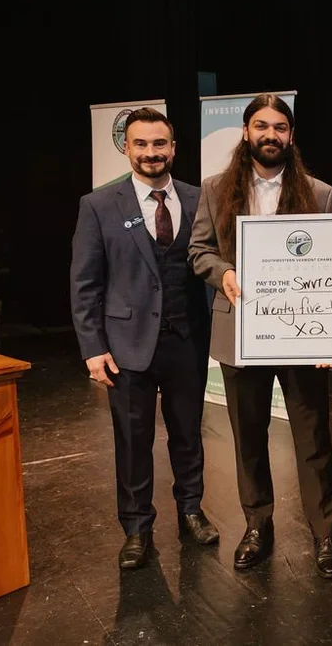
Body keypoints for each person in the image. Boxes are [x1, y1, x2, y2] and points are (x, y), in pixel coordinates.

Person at [188, 93, 332, 579]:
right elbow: (198, 251)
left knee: (313, 438)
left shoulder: (320, 194)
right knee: (248, 437)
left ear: (291, 136)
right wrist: (224, 271)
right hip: (240, 334)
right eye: (261, 126)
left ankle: (325, 534)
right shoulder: (215, 189)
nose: (270, 135)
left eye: (279, 127)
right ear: (246, 131)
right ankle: (258, 525)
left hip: (302, 335)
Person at [69, 107, 217, 570]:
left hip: (187, 341)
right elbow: (85, 283)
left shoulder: (199, 199)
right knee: (132, 442)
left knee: (188, 436)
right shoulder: (98, 205)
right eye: (141, 144)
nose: (151, 153)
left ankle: (191, 510)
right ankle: (136, 528)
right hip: (126, 345)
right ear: (126, 148)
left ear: (173, 148)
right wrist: (93, 346)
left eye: (160, 144)